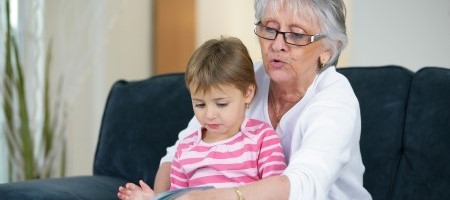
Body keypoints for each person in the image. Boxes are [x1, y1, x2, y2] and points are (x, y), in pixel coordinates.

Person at [153, 0, 373, 199]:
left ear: (327, 50)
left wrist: (216, 197)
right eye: (270, 28)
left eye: (296, 34)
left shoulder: (335, 98)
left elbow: (306, 184)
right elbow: (177, 154)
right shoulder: (245, 79)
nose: (277, 45)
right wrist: (160, 198)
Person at [117, 36, 287, 200]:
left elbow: (275, 193)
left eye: (221, 104)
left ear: (248, 94)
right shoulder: (185, 149)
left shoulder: (262, 138)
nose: (209, 115)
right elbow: (178, 196)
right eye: (200, 105)